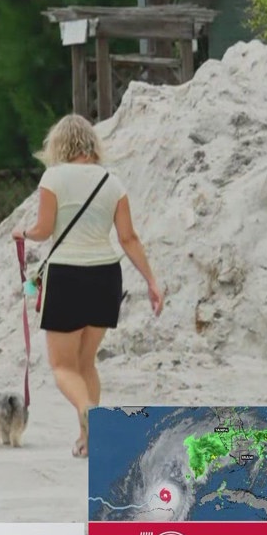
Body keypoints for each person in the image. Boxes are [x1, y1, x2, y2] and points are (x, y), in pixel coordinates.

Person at [12, 114, 163, 459]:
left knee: (63, 367)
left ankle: (90, 415)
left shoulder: (54, 177)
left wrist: (22, 233)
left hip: (67, 276)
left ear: (59, 145)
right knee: (86, 363)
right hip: (105, 276)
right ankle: (88, 439)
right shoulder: (113, 182)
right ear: (92, 144)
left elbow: (44, 229)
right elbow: (128, 237)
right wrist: (152, 282)